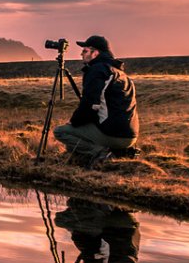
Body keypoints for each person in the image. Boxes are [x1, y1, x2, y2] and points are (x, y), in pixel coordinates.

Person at [52, 35, 138, 165]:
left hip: (113, 134)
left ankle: (103, 153)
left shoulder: (97, 71)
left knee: (61, 132)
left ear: (95, 53)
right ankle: (112, 152)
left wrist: (74, 122)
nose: (81, 54)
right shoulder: (118, 72)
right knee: (72, 146)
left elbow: (90, 104)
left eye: (85, 51)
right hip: (130, 136)